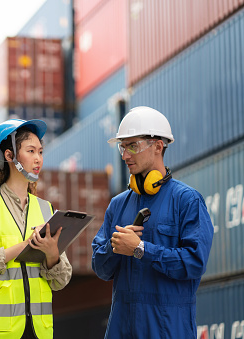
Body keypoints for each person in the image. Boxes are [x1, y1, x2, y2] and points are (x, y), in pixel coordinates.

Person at [91, 106, 214, 338]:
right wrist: (115, 246)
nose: (125, 155)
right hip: (122, 330)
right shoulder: (118, 205)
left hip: (168, 331)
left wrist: (140, 249)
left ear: (158, 146)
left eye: (133, 146)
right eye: (122, 147)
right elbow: (100, 268)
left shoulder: (187, 201)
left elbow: (195, 262)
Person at [0, 119, 72, 339]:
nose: (38, 159)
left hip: (37, 331)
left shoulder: (45, 208)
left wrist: (52, 254)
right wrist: (23, 246)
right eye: (30, 151)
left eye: (40, 152)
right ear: (9, 155)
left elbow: (61, 281)